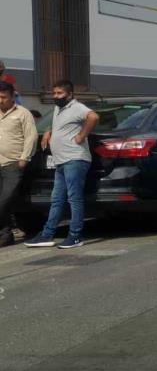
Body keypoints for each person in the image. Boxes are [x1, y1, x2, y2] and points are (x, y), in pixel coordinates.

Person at [25, 80, 99, 249]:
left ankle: (75, 235)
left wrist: (81, 135)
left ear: (70, 94)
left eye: (59, 93)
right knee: (57, 199)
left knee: (74, 199)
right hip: (61, 161)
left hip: (75, 159)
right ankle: (47, 234)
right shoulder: (59, 108)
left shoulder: (77, 107)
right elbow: (60, 124)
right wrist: (49, 132)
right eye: (54, 93)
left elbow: (93, 116)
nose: (55, 96)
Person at [0, 81, 37, 247]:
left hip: (13, 163)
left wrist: (24, 158)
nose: (0, 100)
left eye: (3, 97)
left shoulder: (23, 113)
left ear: (12, 96)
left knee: (4, 199)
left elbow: (31, 136)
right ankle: (5, 234)